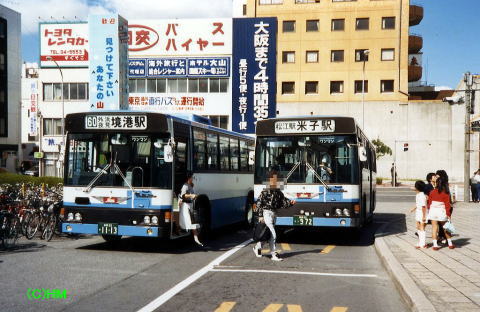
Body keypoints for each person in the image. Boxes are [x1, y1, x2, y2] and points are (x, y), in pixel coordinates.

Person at [253, 171, 296, 261]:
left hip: (273, 214)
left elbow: (283, 203)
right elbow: (258, 204)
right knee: (273, 234)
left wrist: (291, 203)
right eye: (274, 180)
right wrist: (260, 216)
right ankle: (274, 254)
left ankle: (257, 248)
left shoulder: (279, 193)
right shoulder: (265, 192)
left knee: (266, 233)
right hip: (266, 213)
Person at [427, 177, 455, 250]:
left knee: (434, 228)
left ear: (436, 183)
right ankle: (450, 243)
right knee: (446, 227)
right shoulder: (446, 193)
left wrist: (430, 209)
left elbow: (429, 203)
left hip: (433, 211)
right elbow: (447, 205)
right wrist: (448, 214)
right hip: (441, 211)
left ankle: (435, 245)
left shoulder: (432, 192)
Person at [179, 172, 203, 247]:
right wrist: (191, 195)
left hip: (190, 205)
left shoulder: (190, 185)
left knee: (192, 222)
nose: (193, 178)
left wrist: (194, 196)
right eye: (192, 177)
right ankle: (195, 239)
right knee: (190, 222)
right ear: (189, 178)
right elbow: (183, 195)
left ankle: (196, 238)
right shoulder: (185, 186)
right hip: (186, 206)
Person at [410, 181, 428, 249]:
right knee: (418, 227)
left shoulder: (422, 196)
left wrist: (424, 216)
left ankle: (423, 244)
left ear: (417, 188)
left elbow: (423, 207)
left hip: (422, 213)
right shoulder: (418, 194)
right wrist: (414, 208)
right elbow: (418, 204)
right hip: (418, 212)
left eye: (415, 186)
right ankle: (421, 242)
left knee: (422, 227)